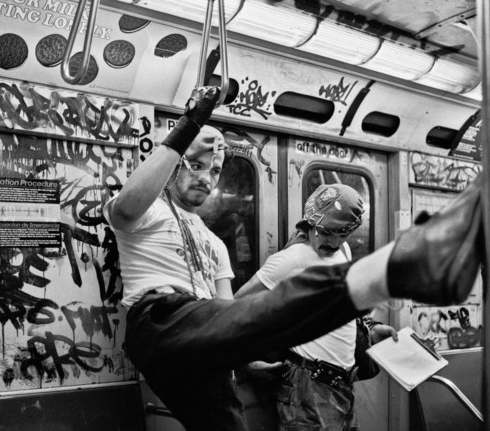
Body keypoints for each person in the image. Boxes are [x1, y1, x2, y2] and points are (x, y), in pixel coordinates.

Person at [102, 86, 484, 431]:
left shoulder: (215, 245)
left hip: (199, 345)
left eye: (215, 171)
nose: (206, 177)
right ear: (175, 164)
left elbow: (228, 316)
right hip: (160, 320)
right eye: (196, 165)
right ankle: (391, 269)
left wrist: (244, 358)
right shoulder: (149, 212)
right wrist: (192, 121)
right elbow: (127, 204)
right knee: (269, 306)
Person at [235, 183, 398, 430]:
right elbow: (234, 307)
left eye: (343, 234)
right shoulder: (290, 261)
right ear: (311, 222)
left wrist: (370, 328)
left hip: (343, 385)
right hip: (307, 387)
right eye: (326, 231)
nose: (333, 242)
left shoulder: (342, 250)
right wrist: (246, 359)